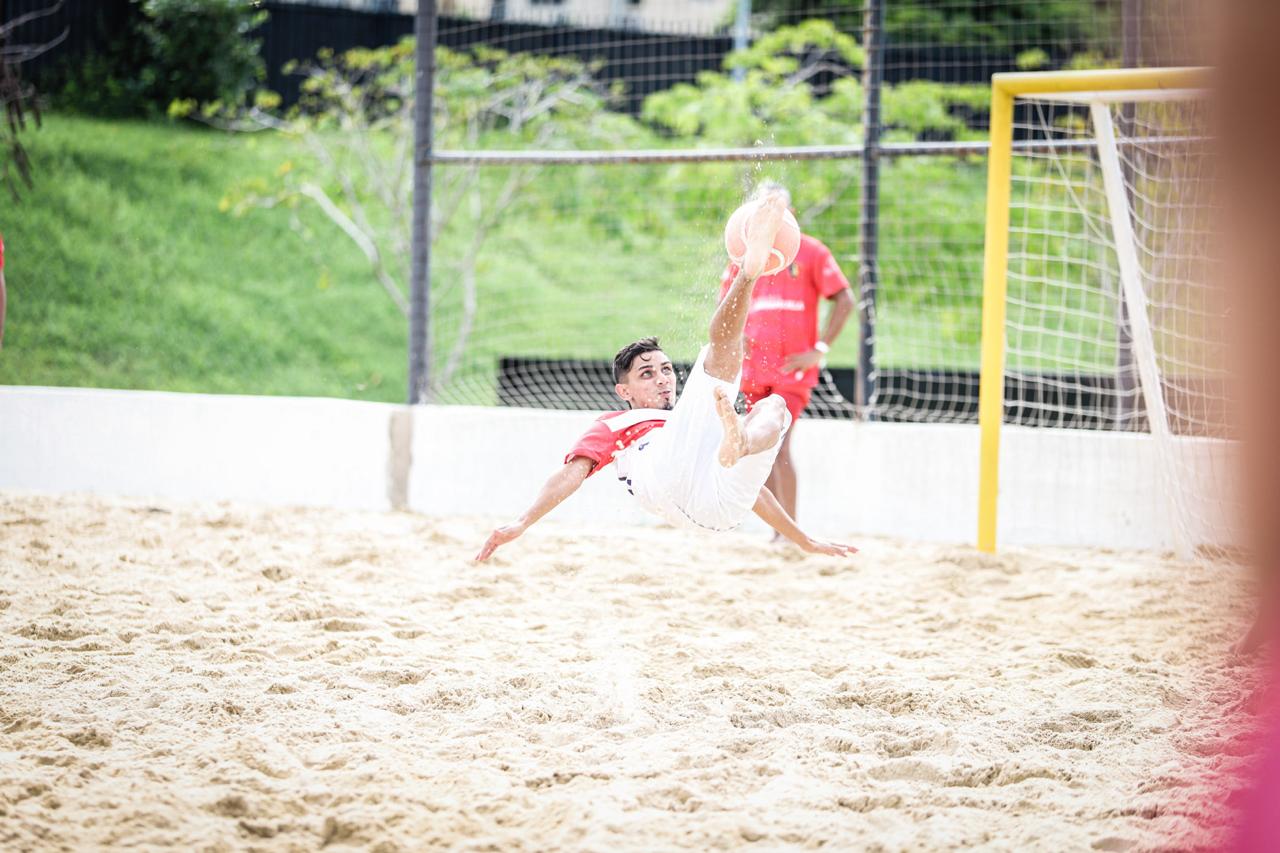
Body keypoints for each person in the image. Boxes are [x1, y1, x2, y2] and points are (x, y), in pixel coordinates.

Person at [475, 193, 857, 563]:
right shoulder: (618, 422)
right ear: (623, 391)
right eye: (647, 373)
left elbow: (752, 492)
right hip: (664, 475)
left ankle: (743, 441)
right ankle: (749, 272)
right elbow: (571, 473)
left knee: (773, 409)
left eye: (665, 369)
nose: (662, 379)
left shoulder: (693, 425)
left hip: (718, 509)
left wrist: (803, 540)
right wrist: (523, 521)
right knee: (723, 355)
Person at [718, 181, 855, 526]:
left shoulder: (811, 252)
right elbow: (725, 307)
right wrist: (736, 338)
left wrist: (819, 349)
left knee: (777, 447)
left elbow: (845, 299)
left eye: (775, 211)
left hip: (790, 371)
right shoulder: (741, 254)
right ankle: (774, 531)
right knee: (759, 451)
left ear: (788, 215)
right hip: (752, 369)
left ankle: (786, 531)